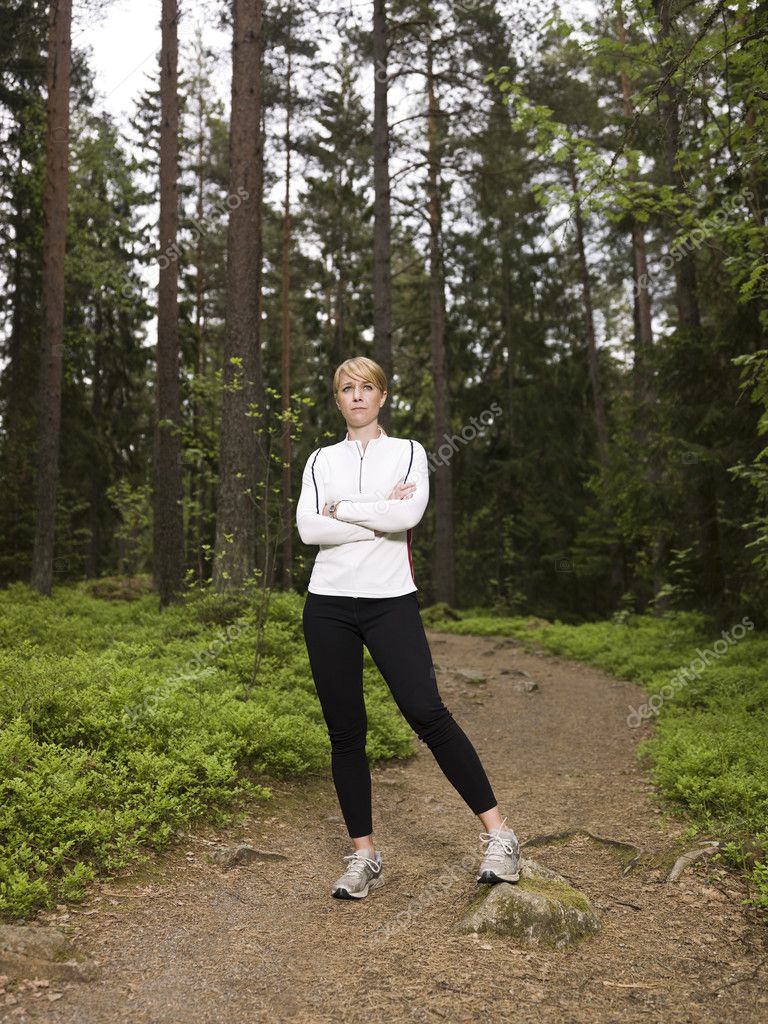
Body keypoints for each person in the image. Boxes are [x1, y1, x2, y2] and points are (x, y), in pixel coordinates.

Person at [296, 356, 520, 900]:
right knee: (346, 733)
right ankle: (364, 857)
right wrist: (373, 515)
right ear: (337, 400)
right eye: (346, 389)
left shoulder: (411, 452)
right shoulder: (320, 458)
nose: (355, 397)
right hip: (326, 605)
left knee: (427, 713)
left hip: (389, 602)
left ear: (382, 396)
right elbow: (307, 528)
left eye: (365, 388)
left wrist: (343, 510)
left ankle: (501, 837)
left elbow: (407, 517)